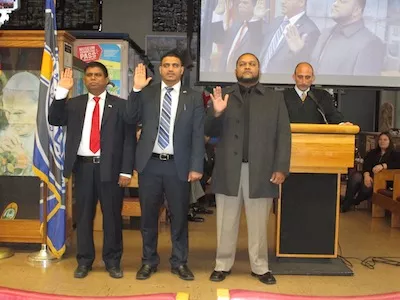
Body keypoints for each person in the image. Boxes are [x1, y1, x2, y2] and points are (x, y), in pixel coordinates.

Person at [205, 53, 291, 285]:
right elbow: (209, 131)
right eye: (242, 64)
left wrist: (281, 167)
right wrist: (217, 112)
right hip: (228, 169)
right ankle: (222, 264)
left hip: (261, 170)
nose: (247, 67)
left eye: (251, 64)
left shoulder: (274, 98)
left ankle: (260, 267)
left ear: (258, 69)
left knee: (258, 222)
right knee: (225, 220)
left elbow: (283, 134)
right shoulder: (223, 97)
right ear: (235, 70)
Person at [48, 62, 136, 279]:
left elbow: (128, 141)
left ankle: (113, 261)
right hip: (84, 167)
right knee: (84, 217)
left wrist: (126, 171)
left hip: (112, 171)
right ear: (84, 80)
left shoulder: (121, 105)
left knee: (112, 218)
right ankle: (84, 261)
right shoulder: (74, 104)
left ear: (106, 80)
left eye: (98, 75)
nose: (93, 78)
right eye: (89, 75)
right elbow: (54, 119)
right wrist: (61, 92)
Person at [126, 51, 204, 281]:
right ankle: (148, 261)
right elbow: (130, 118)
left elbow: (198, 134)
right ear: (160, 70)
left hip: (177, 166)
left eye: (175, 65)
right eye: (166, 65)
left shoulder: (194, 97)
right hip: (149, 165)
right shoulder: (147, 93)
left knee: (179, 217)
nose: (170, 69)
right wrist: (136, 90)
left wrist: (196, 166)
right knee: (148, 218)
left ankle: (179, 262)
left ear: (182, 70)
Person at [311, 0, 384, 76]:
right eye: (335, 0)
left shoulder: (371, 43)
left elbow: (363, 86)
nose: (335, 4)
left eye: (342, 1)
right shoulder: (325, 33)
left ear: (356, 10)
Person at [341, 132, 399, 212]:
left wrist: (383, 166)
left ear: (390, 141)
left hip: (384, 181)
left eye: (385, 140)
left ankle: (351, 202)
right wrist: (367, 176)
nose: (382, 141)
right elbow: (366, 165)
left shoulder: (395, 154)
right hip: (369, 175)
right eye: (380, 140)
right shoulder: (372, 153)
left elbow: (397, 164)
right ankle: (347, 203)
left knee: (367, 187)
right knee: (356, 176)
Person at [259, 0, 320, 74]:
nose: (283, 2)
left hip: (279, 82)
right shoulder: (276, 21)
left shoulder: (311, 30)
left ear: (301, 2)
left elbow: (306, 66)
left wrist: (299, 52)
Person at [283, 62, 351, 124]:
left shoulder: (323, 96)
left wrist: (342, 124)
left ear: (313, 78)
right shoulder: (282, 97)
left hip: (317, 136)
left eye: (307, 77)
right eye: (300, 77)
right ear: (294, 77)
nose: (303, 81)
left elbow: (332, 115)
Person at [0, 72, 40, 176]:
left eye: (19, 113)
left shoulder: (48, 140)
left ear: (38, 108)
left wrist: (24, 161)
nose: (11, 121)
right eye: (7, 112)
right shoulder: (2, 136)